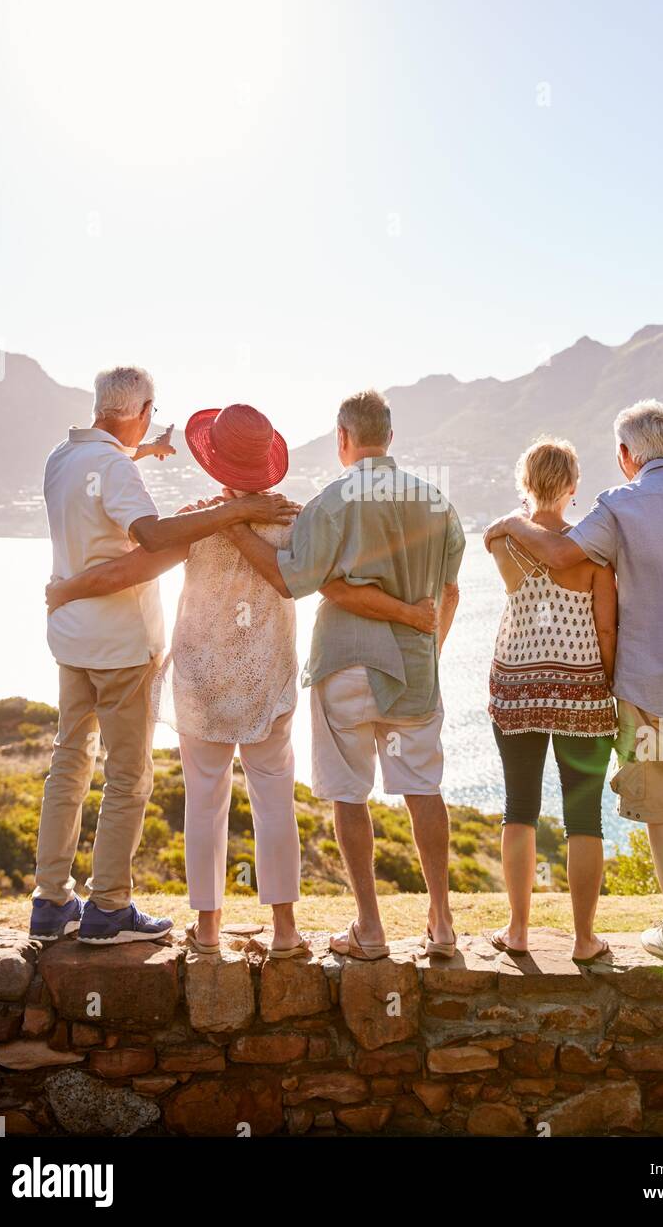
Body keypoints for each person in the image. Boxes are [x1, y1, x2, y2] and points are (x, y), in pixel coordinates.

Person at [46, 401, 438, 957]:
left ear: (215, 464)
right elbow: (333, 576)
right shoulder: (292, 522)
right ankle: (284, 930)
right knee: (274, 799)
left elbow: (134, 568)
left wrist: (67, 589)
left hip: (201, 681)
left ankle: (207, 931)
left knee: (204, 801)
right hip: (266, 680)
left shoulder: (195, 521)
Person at [485, 398, 663, 964]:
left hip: (646, 689)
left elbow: (561, 553)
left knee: (662, 809)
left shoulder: (616, 507)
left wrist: (515, 520)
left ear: (624, 454)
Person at [32, 367, 298, 946]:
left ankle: (51, 901)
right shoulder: (284, 521)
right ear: (144, 409)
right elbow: (146, 545)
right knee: (127, 778)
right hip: (122, 644)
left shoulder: (62, 458)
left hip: (72, 638)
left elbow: (126, 515)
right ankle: (108, 909)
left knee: (68, 763)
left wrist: (67, 590)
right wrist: (230, 514)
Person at [221, 390, 465, 960]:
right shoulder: (436, 502)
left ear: (343, 439)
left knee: (349, 796)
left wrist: (235, 530)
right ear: (390, 437)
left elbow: (290, 581)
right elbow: (449, 592)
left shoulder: (331, 503)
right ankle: (443, 922)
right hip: (414, 672)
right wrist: (430, 650)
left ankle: (370, 929)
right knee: (423, 789)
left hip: (346, 666)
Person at [487, 437, 617, 966]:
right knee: (584, 817)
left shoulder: (502, 542)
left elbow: (514, 539)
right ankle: (584, 939)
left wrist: (518, 518)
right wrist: (606, 683)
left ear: (525, 483)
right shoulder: (593, 551)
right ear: (571, 488)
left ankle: (518, 930)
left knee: (519, 810)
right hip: (582, 690)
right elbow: (607, 627)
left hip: (516, 683)